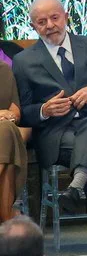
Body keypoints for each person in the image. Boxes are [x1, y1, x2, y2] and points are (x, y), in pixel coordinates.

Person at [14, 0, 87, 253]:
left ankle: (76, 187)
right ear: (34, 27)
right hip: (57, 133)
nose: (50, 25)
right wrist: (44, 110)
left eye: (54, 18)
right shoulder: (24, 61)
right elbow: (23, 113)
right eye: (41, 22)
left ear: (66, 16)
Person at [0, 62, 28, 222]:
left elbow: (14, 113)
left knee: (6, 130)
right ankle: (6, 220)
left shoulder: (3, 70)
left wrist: (8, 116)